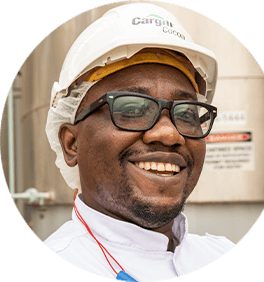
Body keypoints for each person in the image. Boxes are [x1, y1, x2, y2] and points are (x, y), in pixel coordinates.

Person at [44, 2, 234, 280]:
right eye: (131, 109)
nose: (170, 134)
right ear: (72, 144)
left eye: (187, 113)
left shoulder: (218, 252)